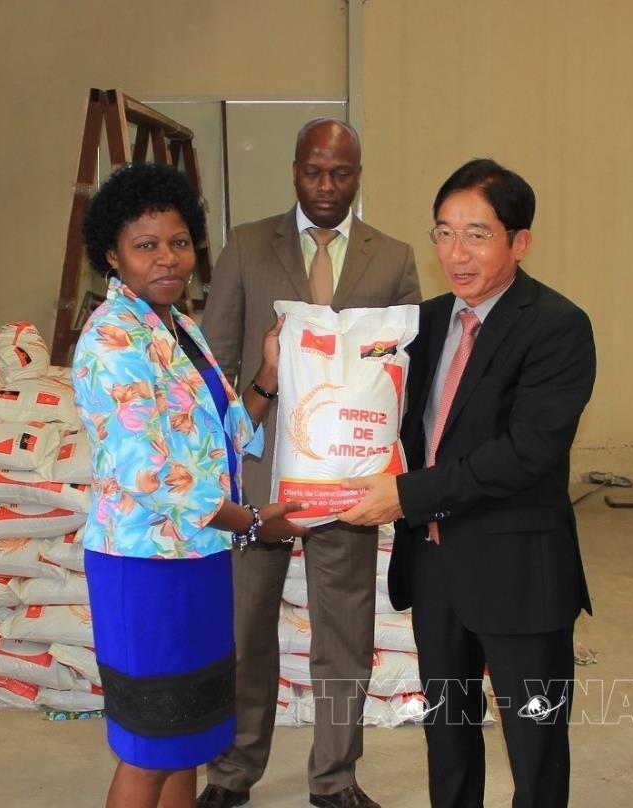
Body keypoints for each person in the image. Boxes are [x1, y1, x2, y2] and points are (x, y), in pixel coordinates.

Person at [341, 158, 596, 808]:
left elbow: (525, 454)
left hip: (520, 578)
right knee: (449, 744)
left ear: (520, 241)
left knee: (536, 749)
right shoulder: (421, 325)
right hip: (436, 571)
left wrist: (406, 495)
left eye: (477, 235)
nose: (456, 253)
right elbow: (376, 413)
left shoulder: (557, 326)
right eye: (445, 233)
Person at [197, 118, 421, 808]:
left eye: (341, 173)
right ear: (295, 170)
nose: (326, 186)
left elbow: (402, 374)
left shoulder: (394, 259)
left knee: (344, 634)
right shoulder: (246, 246)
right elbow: (215, 368)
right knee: (244, 630)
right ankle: (232, 772)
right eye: (314, 171)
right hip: (261, 479)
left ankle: (335, 778)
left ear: (359, 175)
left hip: (347, 481)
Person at [72, 162, 307, 808]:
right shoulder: (112, 338)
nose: (167, 258)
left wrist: (267, 372)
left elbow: (226, 434)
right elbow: (146, 471)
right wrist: (252, 522)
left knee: (187, 741)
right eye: (146, 245)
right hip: (144, 567)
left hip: (198, 556)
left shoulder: (180, 327)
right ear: (113, 255)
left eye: (178, 242)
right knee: (149, 748)